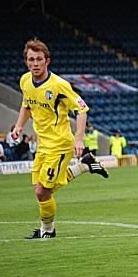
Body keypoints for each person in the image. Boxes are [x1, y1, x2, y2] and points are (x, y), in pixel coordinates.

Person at [12, 38, 109, 239]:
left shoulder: (59, 85)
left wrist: (79, 139)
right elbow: (27, 104)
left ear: (47, 61)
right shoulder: (25, 81)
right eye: (31, 59)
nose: (35, 64)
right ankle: (83, 166)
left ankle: (48, 231)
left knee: (42, 192)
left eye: (39, 59)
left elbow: (82, 110)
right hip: (42, 145)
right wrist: (19, 126)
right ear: (26, 61)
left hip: (60, 144)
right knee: (40, 190)